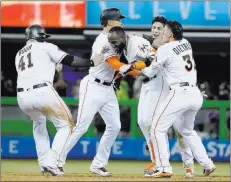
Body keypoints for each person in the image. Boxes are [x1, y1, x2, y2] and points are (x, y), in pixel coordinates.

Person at [58, 8, 138, 176]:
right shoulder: (102, 41)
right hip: (93, 86)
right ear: (109, 22)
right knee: (80, 126)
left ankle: (98, 164)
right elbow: (116, 65)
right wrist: (139, 67)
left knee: (115, 126)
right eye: (118, 20)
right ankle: (56, 160)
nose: (121, 22)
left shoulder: (116, 38)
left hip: (108, 88)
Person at [108, 23, 194, 178]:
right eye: (154, 27)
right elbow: (139, 68)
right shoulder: (131, 44)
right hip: (147, 82)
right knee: (143, 122)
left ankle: (173, 163)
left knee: (164, 125)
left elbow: (151, 59)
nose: (115, 46)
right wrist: (123, 73)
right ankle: (158, 160)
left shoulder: (137, 43)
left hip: (160, 82)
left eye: (161, 28)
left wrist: (128, 68)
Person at [141, 20, 215, 178]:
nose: (162, 32)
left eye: (165, 30)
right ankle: (207, 164)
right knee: (187, 130)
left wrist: (136, 67)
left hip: (180, 93)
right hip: (194, 93)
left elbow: (149, 72)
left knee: (156, 128)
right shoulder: (186, 42)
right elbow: (168, 49)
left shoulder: (165, 49)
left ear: (170, 34)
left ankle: (164, 167)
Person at [15, 24, 91, 176]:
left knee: (39, 123)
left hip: (22, 97)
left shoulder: (19, 54)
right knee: (65, 125)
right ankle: (52, 161)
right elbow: (71, 60)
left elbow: (35, 70)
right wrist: (91, 63)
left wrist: (53, 67)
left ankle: (43, 163)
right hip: (42, 92)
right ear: (40, 36)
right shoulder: (46, 46)